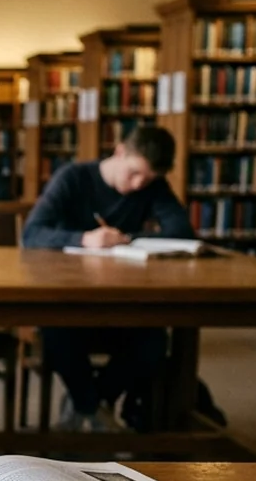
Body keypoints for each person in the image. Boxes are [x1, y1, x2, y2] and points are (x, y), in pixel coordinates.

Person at [21, 126, 193, 433]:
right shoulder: (74, 178)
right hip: (68, 302)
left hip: (121, 303)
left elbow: (181, 232)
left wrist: (126, 238)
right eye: (134, 173)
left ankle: (89, 403)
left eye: (148, 179)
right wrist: (84, 239)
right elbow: (32, 233)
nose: (138, 184)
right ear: (119, 152)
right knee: (55, 330)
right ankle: (95, 411)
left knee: (154, 341)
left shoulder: (151, 186)